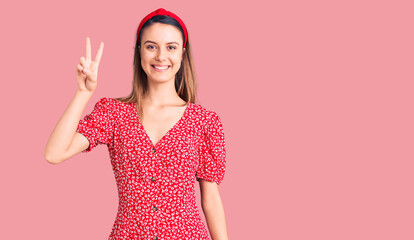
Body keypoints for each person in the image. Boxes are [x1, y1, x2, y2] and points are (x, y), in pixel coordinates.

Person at [44, 8, 228, 240]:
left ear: (182, 54)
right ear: (139, 51)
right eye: (151, 46)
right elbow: (54, 153)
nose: (161, 56)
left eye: (171, 47)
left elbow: (210, 199)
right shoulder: (114, 113)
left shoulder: (205, 122)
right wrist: (83, 92)